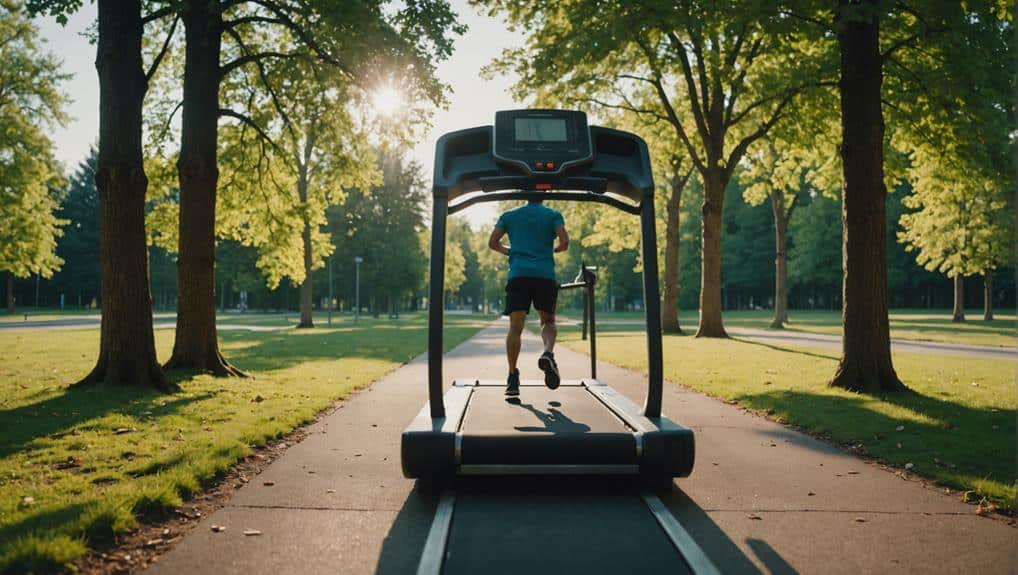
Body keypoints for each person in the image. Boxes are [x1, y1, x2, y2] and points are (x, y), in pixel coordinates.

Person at [488, 198, 569, 396]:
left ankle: (512, 378)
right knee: (548, 321)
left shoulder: (509, 215)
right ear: (543, 196)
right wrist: (553, 250)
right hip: (544, 275)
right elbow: (564, 242)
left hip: (519, 274)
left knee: (515, 327)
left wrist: (512, 252)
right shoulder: (552, 215)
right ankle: (548, 353)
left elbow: (492, 243)